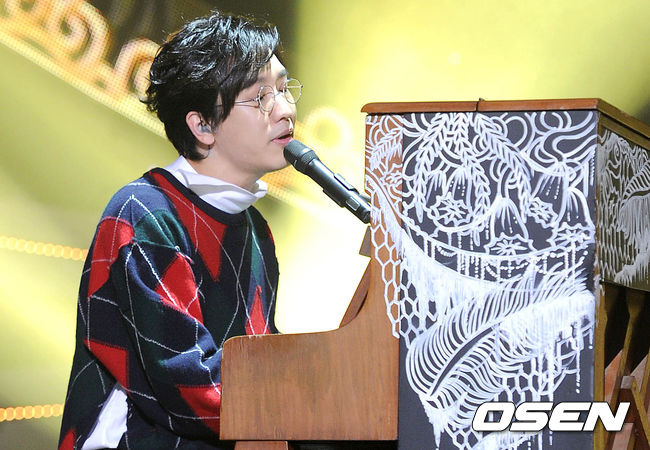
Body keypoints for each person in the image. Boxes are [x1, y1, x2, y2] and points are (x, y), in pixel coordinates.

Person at [59, 10, 300, 449]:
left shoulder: (255, 229)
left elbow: (256, 359)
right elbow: (193, 387)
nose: (285, 110)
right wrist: (310, 401)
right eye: (261, 97)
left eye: (284, 89)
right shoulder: (145, 215)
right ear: (202, 125)